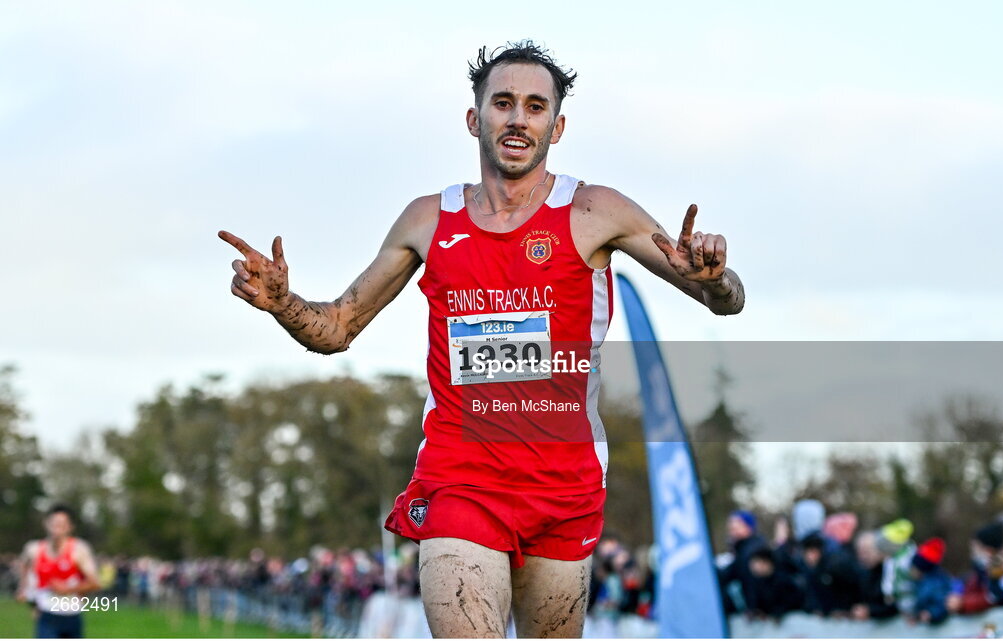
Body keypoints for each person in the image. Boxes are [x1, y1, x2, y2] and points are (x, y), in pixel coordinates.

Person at [219, 40, 744, 638]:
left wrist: (716, 277)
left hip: (564, 483)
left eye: (535, 106)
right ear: (475, 118)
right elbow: (338, 327)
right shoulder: (427, 220)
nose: (518, 118)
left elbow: (721, 299)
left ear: (557, 125)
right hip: (460, 477)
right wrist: (282, 303)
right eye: (503, 103)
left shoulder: (597, 211)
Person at [16, 504, 101, 638]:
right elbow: (24, 565)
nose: (57, 528)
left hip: (72, 615)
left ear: (70, 527)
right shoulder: (34, 549)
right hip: (47, 615)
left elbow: (95, 583)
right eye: (54, 523)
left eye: (62, 524)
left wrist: (67, 589)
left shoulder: (79, 550)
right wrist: (24, 590)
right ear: (46, 523)